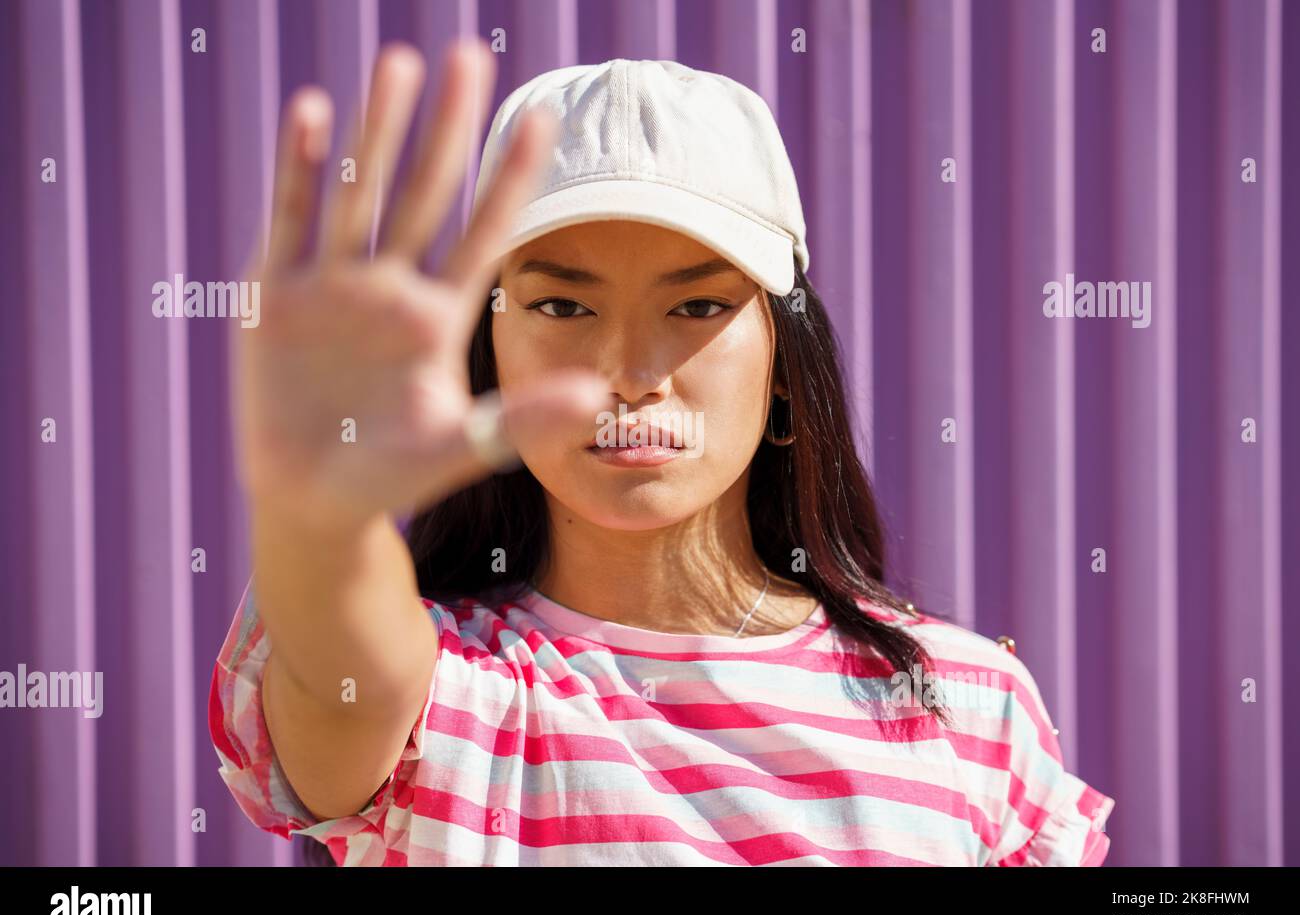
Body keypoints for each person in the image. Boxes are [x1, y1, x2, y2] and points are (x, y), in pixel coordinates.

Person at [208, 37, 1114, 866]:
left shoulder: (967, 707)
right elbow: (338, 674)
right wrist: (316, 510)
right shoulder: (441, 700)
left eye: (698, 307)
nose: (630, 373)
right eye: (563, 307)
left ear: (785, 365)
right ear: (489, 358)